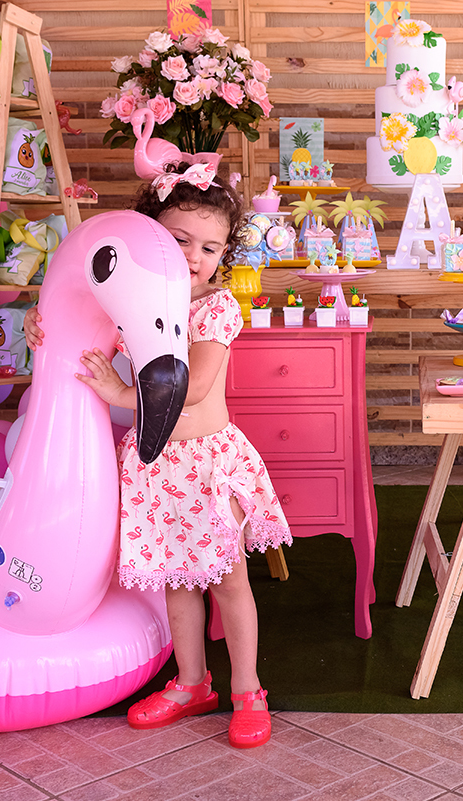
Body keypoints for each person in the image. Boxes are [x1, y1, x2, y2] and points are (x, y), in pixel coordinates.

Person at [24, 163, 290, 747]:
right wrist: (38, 327)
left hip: (205, 465)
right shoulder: (127, 303)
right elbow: (74, 319)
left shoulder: (216, 308)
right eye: (179, 240)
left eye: (210, 248)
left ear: (223, 255)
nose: (194, 256)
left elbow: (193, 385)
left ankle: (247, 689)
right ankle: (193, 683)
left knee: (229, 582)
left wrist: (120, 393)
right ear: (148, 237)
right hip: (155, 466)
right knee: (176, 579)